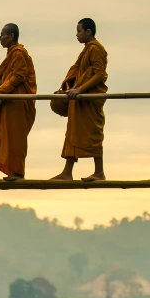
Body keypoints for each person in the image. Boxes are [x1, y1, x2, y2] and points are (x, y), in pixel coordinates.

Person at [50, 18, 109, 181]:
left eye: (79, 31)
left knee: (93, 133)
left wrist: (79, 89)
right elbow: (77, 72)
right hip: (79, 99)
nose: (76, 35)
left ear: (88, 32)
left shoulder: (96, 49)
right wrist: (68, 88)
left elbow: (99, 75)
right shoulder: (87, 49)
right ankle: (67, 172)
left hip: (90, 99)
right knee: (72, 133)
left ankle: (99, 172)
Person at [0, 23, 37, 181]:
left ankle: (18, 173)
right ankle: (14, 172)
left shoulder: (18, 53)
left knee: (15, 137)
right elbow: (5, 77)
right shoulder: (12, 53)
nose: (0, 38)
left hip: (18, 101)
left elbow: (18, 76)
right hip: (10, 100)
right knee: (8, 135)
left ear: (11, 36)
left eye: (2, 34)